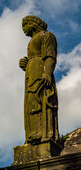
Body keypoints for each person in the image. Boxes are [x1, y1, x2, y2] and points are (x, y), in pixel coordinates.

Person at [19, 15, 59, 143]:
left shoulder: (47, 36)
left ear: (32, 24)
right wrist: (26, 63)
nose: (24, 30)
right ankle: (32, 133)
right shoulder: (31, 41)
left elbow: (50, 56)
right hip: (31, 74)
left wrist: (47, 72)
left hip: (41, 73)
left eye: (24, 26)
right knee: (31, 102)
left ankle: (43, 132)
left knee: (40, 99)